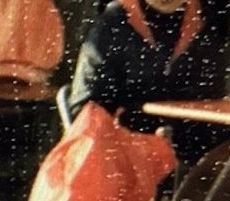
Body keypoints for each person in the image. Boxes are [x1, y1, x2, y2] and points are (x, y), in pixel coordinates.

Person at [67, 0, 230, 164]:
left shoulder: (213, 16)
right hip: (130, 158)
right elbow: (86, 110)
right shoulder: (112, 24)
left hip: (202, 151)